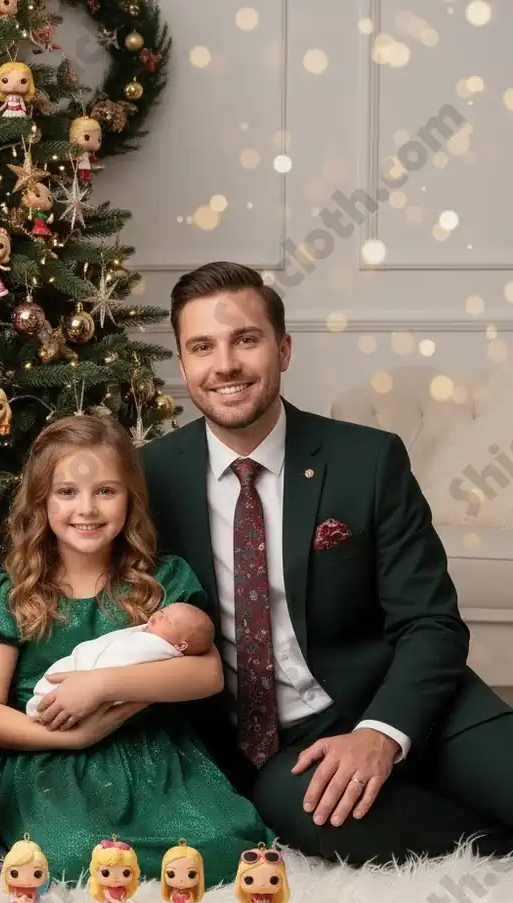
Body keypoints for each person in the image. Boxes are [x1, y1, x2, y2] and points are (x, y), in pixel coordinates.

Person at [140, 261, 513, 866]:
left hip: (405, 699)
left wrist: (381, 733)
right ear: (183, 366)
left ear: (283, 349)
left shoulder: (367, 459)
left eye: (246, 340)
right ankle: (493, 850)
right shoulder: (148, 478)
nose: (225, 364)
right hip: (282, 744)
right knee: (300, 807)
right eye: (202, 347)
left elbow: (431, 623)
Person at [0, 414, 271, 886]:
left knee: (225, 848)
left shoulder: (159, 582)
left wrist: (102, 685)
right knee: (73, 861)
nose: (87, 508)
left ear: (131, 498)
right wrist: (74, 738)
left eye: (106, 491)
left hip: (150, 760)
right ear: (41, 501)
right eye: (67, 492)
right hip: (46, 764)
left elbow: (206, 675)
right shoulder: (11, 594)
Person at [25, 601, 215, 717]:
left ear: (181, 646)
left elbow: (122, 658)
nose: (157, 616)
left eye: (168, 620)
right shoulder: (147, 634)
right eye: (162, 611)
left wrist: (96, 684)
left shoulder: (158, 649)